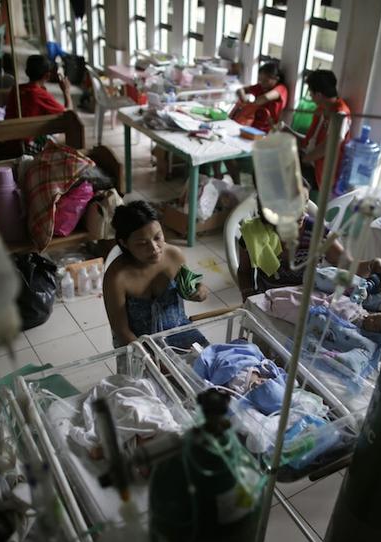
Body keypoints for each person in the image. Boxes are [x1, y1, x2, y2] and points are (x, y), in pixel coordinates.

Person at [237, 185, 381, 301]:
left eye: (305, 202)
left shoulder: (316, 233)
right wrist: (249, 295)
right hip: (269, 300)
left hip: (308, 299)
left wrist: (374, 263)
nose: (303, 212)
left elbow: (347, 264)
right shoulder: (253, 235)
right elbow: (244, 272)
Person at [103, 201, 208, 349]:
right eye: (142, 243)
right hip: (137, 344)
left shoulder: (174, 256)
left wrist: (199, 291)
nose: (154, 248)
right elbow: (122, 331)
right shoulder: (116, 278)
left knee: (212, 363)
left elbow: (191, 286)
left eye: (158, 237)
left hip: (179, 330)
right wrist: (152, 359)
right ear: (124, 243)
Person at [215, 61, 289, 183]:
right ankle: (220, 177)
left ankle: (235, 182)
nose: (262, 83)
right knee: (220, 140)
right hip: (249, 127)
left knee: (225, 147)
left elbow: (264, 98)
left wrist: (249, 104)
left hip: (265, 133)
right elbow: (241, 90)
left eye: (265, 80)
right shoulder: (261, 87)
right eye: (260, 80)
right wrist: (244, 98)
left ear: (276, 78)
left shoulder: (281, 89)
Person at [283, 69, 351, 192]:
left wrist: (305, 159)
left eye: (311, 92)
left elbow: (331, 145)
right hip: (309, 161)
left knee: (278, 176)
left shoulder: (340, 114)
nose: (310, 96)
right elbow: (310, 143)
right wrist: (288, 131)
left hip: (320, 173)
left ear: (318, 94)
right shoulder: (322, 110)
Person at [5, 55, 73, 119]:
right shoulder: (40, 95)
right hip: (28, 130)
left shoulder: (16, 89)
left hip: (10, 129)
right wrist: (66, 91)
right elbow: (69, 114)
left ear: (26, 72)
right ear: (47, 76)